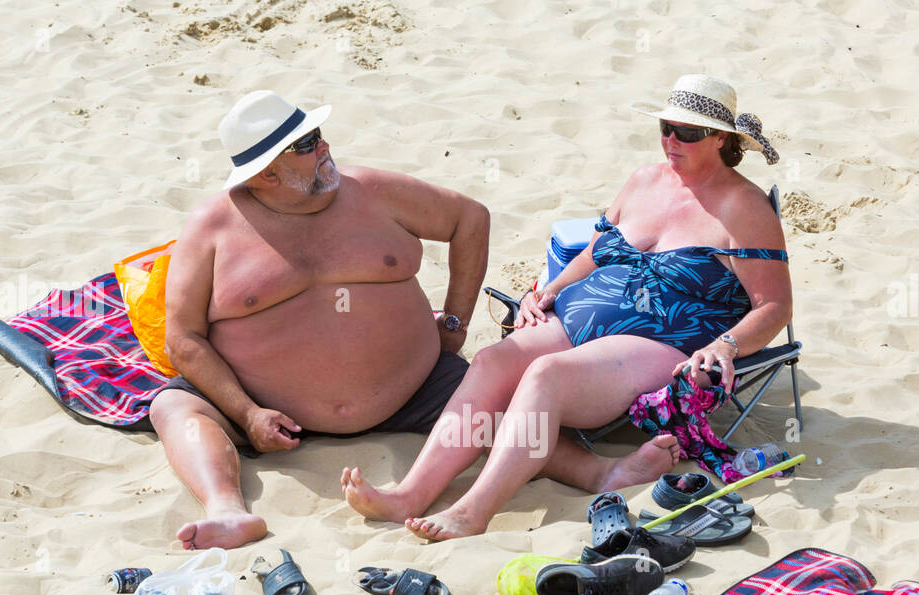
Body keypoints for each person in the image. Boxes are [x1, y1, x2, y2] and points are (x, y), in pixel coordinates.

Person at [342, 75, 793, 540]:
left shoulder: (745, 210)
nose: (671, 141)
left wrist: (726, 345)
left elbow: (775, 305)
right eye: (665, 127)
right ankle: (412, 493)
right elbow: (594, 251)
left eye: (689, 132)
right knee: (494, 359)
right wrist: (547, 290)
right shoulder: (644, 180)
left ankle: (472, 512)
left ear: (721, 139)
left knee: (545, 376)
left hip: (664, 343)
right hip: (581, 316)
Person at [150, 90, 490, 550]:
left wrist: (454, 323)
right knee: (173, 408)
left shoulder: (373, 191)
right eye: (306, 144)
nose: (325, 147)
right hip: (269, 410)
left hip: (418, 386)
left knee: (512, 410)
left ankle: (602, 473)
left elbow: (470, 219)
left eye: (317, 135)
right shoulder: (212, 227)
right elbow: (183, 339)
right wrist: (248, 414)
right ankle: (226, 510)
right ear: (267, 172)